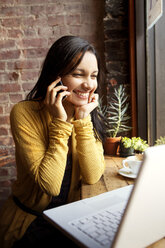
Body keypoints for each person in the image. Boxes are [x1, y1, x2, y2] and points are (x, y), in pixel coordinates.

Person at [0, 35, 106, 248]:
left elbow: (93, 175)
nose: (88, 84)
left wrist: (83, 119)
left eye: (93, 76)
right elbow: (50, 186)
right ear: (56, 77)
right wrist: (61, 122)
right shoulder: (25, 112)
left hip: (70, 221)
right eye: (78, 74)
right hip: (31, 225)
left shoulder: (86, 113)